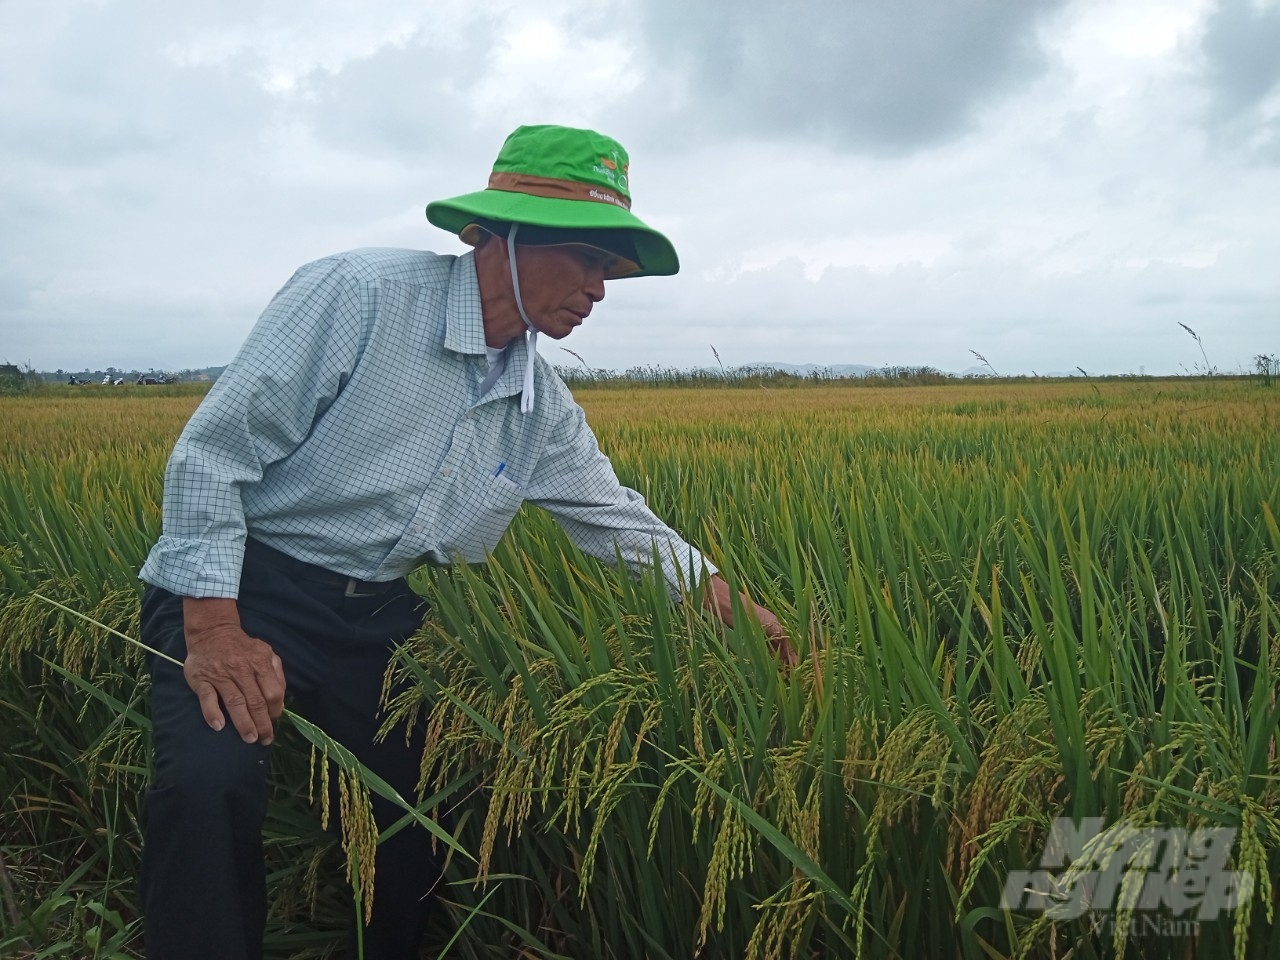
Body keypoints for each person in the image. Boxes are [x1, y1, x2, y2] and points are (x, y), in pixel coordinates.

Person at [136, 123, 795, 960]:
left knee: (424, 801)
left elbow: (614, 516)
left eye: (610, 271)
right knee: (208, 783)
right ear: (500, 235)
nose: (600, 288)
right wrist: (214, 630)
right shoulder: (357, 295)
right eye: (589, 259)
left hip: (377, 615)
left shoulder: (537, 400)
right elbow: (213, 454)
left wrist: (737, 609)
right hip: (242, 585)